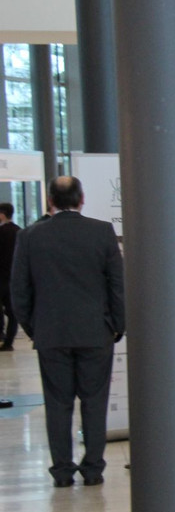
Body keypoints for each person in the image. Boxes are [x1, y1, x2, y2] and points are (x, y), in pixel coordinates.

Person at [11, 177, 124, 487]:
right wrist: (117, 324)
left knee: (58, 403)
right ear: (81, 198)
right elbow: (117, 284)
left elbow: (19, 290)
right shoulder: (101, 232)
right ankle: (93, 469)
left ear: (50, 200)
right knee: (94, 401)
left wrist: (33, 327)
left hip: (51, 332)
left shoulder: (30, 236)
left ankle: (62, 470)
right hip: (95, 332)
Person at [0, 202, 21, 351]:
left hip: (1, 277)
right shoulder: (20, 231)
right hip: (14, 278)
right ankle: (9, 341)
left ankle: (1, 334)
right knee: (12, 311)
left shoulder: (1, 232)